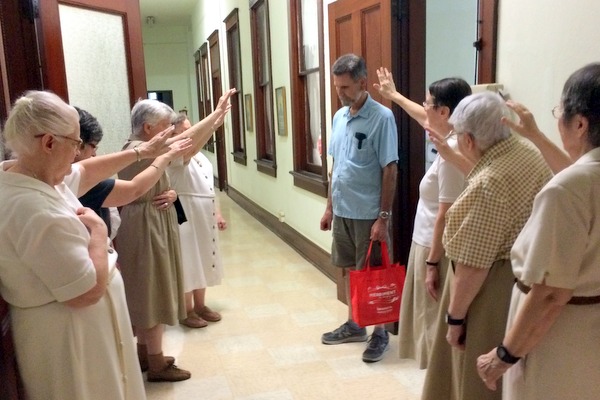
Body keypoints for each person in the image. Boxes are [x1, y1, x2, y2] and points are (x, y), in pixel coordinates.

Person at [0, 90, 146, 399]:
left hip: (77, 330)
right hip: (69, 337)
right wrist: (97, 232)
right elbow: (85, 291)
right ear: (49, 143)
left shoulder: (31, 176)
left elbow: (85, 172)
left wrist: (143, 153)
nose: (80, 153)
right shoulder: (32, 208)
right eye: (77, 144)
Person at [476, 63, 600, 400]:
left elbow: (549, 293)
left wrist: (503, 356)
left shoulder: (566, 191)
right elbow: (580, 177)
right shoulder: (581, 181)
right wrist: (535, 135)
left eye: (559, 111)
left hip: (561, 335)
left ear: (580, 123)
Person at [420, 91, 552, 400]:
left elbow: (473, 266)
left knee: (473, 374)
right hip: (521, 278)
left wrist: (455, 319)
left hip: (489, 288)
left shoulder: (487, 183)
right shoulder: (525, 152)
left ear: (468, 140)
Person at [116, 90, 233, 382]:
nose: (170, 132)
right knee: (151, 291)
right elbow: (186, 143)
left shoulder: (140, 148)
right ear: (148, 128)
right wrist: (215, 117)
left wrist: (168, 191)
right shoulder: (141, 148)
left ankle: (146, 354)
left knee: (148, 289)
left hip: (149, 221)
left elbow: (182, 152)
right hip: (146, 226)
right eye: (166, 126)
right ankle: (156, 363)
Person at [374, 69, 469, 368]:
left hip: (434, 247)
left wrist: (431, 263)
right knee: (426, 320)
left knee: (432, 323)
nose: (424, 109)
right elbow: (423, 117)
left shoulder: (454, 152)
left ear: (445, 111)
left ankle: (437, 384)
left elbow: (446, 212)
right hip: (426, 243)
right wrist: (395, 96)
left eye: (429, 104)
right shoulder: (451, 138)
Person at [319, 54, 398, 363]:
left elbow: (390, 169)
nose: (341, 92)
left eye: (346, 87)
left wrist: (384, 218)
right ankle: (355, 324)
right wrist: (329, 208)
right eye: (337, 86)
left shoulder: (382, 118)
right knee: (352, 272)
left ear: (364, 83)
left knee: (375, 274)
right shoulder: (339, 117)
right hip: (342, 211)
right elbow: (336, 166)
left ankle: (380, 333)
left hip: (368, 214)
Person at [74, 107, 190, 240]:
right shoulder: (76, 178)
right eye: (93, 146)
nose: (94, 154)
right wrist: (162, 156)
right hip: (143, 223)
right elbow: (135, 189)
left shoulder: (76, 175)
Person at [168, 115, 227, 328]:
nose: (191, 135)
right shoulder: (173, 155)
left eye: (191, 130)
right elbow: (186, 155)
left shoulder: (202, 158)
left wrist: (217, 214)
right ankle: (187, 310)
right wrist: (214, 123)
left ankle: (201, 305)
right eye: (184, 132)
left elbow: (210, 190)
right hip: (183, 213)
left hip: (204, 215)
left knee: (203, 257)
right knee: (188, 260)